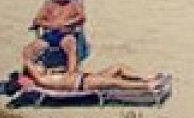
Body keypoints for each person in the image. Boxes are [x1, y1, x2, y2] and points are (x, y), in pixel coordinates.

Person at [19, 34, 163, 94]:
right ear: (32, 73)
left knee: (118, 67)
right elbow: (27, 60)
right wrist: (29, 61)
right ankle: (147, 86)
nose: (40, 64)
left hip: (87, 78)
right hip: (83, 83)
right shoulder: (42, 79)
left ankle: (147, 77)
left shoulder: (48, 75)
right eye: (37, 65)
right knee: (116, 82)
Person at [30, 0, 89, 67]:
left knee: (70, 45)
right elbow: (37, 20)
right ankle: (27, 75)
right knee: (30, 49)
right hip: (50, 35)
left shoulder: (73, 4)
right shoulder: (48, 6)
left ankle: (71, 73)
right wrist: (50, 25)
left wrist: (66, 23)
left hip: (66, 34)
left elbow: (82, 17)